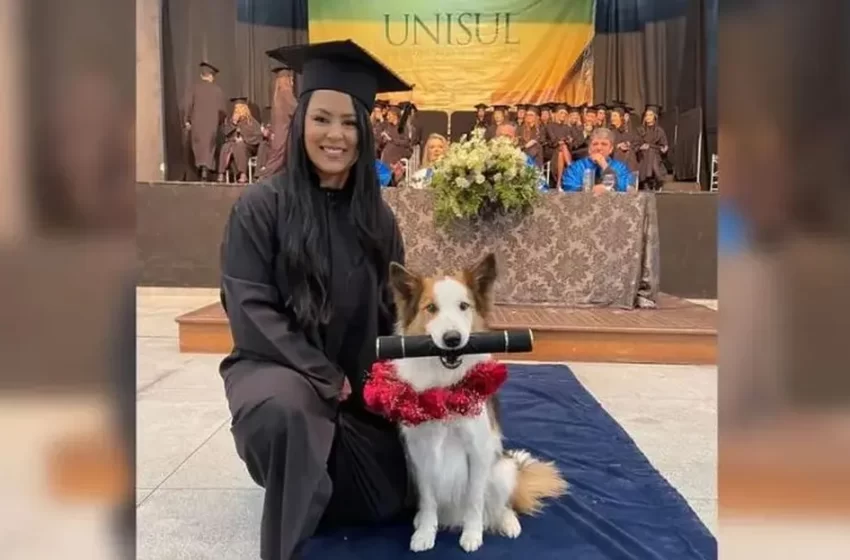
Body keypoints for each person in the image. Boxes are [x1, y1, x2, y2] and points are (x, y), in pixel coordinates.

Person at [219, 39, 414, 560]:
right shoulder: (261, 207)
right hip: (276, 369)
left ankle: (326, 478)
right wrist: (322, 374)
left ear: (365, 135)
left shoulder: (378, 220)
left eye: (349, 123)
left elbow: (393, 312)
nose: (335, 135)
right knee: (288, 410)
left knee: (393, 489)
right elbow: (249, 309)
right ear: (301, 121)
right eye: (322, 119)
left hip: (357, 383)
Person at [181, 61, 227, 181]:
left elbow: (188, 105)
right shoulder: (217, 90)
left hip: (197, 124)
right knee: (209, 148)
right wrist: (219, 122)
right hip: (212, 125)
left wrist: (187, 120)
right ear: (211, 76)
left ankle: (200, 169)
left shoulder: (194, 89)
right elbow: (222, 111)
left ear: (202, 75)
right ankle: (205, 170)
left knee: (198, 147)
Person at [257, 65, 298, 180]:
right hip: (283, 132)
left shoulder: (277, 94)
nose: (292, 82)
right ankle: (263, 178)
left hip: (277, 132)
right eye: (290, 79)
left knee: (278, 157)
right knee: (278, 158)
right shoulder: (286, 92)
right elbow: (294, 109)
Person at [561, 127, 631, 194]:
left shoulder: (620, 168)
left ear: (611, 149)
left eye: (604, 144)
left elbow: (625, 188)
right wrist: (590, 190)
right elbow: (568, 188)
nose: (599, 148)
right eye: (595, 144)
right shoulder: (576, 167)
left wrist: (605, 166)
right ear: (589, 149)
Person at [218, 97, 263, 183]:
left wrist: (244, 139)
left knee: (240, 146)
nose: (237, 112)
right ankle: (221, 173)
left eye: (240, 109)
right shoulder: (232, 122)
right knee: (225, 146)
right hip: (233, 144)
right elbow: (226, 133)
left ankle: (243, 174)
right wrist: (234, 123)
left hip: (249, 146)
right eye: (236, 109)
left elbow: (258, 137)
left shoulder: (251, 122)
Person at [637, 104, 669, 190]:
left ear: (655, 117)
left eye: (650, 115)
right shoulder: (640, 130)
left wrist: (664, 148)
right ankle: (658, 177)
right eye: (646, 115)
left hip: (656, 155)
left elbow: (664, 145)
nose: (648, 117)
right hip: (642, 156)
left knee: (651, 151)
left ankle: (647, 179)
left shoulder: (659, 131)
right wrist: (641, 147)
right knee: (649, 152)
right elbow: (636, 144)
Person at [610, 106, 638, 171]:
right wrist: (617, 146)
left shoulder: (628, 131)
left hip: (629, 160)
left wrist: (628, 144)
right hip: (614, 159)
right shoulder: (610, 131)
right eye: (612, 116)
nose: (612, 118)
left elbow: (636, 143)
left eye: (615, 116)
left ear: (621, 117)